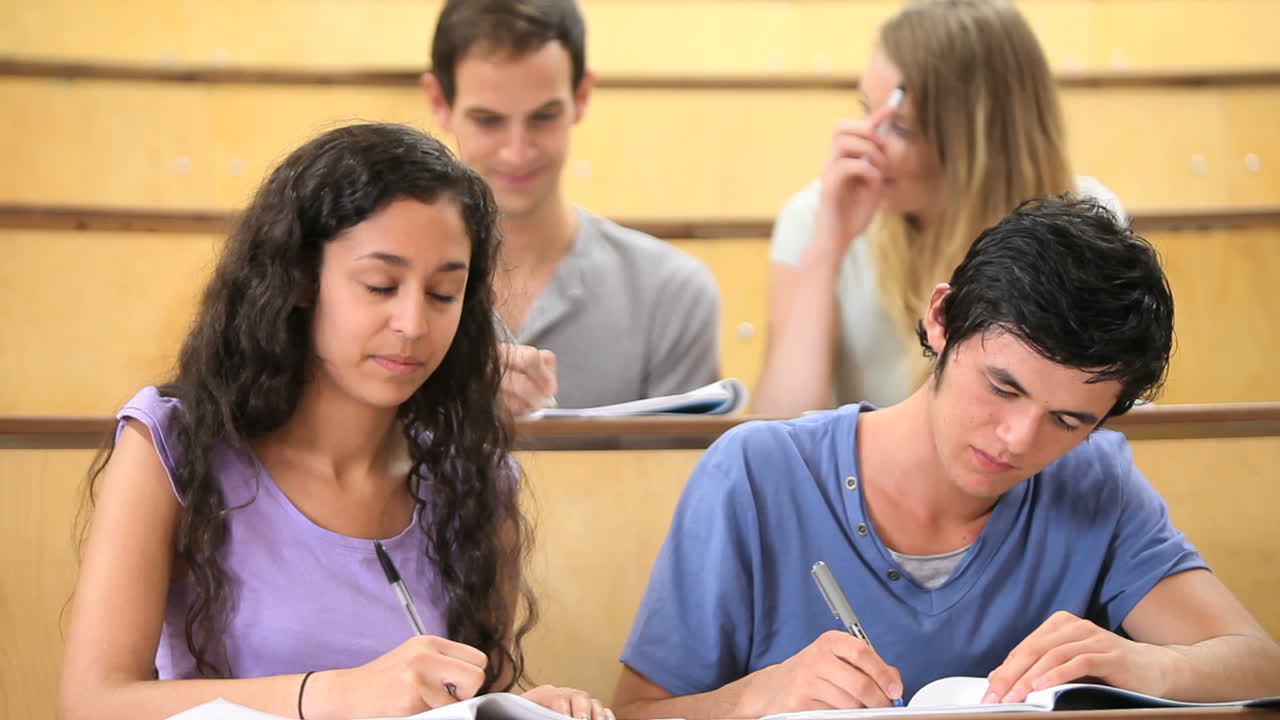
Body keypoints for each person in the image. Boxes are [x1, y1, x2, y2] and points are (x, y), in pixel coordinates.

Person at [613, 196, 1280, 719]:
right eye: (1002, 387)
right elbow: (636, 714)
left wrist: (1147, 666)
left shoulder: (1094, 483)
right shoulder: (757, 475)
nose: (1017, 439)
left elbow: (1260, 665)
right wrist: (757, 698)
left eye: (1067, 420)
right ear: (942, 318)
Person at [57, 123, 612, 720]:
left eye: (443, 293)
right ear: (300, 279)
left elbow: (465, 698)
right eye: (380, 285)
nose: (412, 324)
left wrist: (523, 708)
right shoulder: (173, 443)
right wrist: (329, 694)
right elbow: (92, 703)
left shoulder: (474, 476)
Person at [752, 0, 1125, 416]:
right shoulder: (814, 216)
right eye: (866, 110)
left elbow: (1091, 418)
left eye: (900, 128)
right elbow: (777, 430)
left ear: (981, 141)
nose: (868, 144)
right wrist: (825, 248)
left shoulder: (1085, 220)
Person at [421, 0, 721, 413]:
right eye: (488, 120)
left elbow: (682, 458)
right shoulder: (394, 293)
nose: (517, 151)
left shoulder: (670, 295)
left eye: (544, 117)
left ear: (581, 96)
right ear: (439, 102)